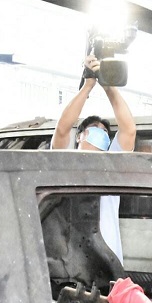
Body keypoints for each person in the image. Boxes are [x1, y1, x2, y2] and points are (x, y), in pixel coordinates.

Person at [51, 54, 136, 263]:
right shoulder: (64, 162)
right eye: (95, 129)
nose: (102, 133)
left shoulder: (112, 164)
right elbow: (62, 129)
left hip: (108, 264)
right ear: (79, 136)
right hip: (71, 266)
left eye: (105, 132)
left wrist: (107, 83)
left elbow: (129, 129)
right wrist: (88, 85)